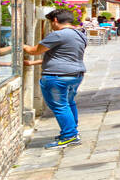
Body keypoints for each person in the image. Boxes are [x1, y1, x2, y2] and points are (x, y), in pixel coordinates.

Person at [22, 8, 88, 149]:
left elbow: (35, 51)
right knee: (68, 103)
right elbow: (62, 57)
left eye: (51, 22)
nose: (51, 25)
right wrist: (32, 63)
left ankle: (69, 135)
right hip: (75, 75)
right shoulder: (80, 35)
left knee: (60, 106)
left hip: (57, 77)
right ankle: (71, 132)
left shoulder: (58, 35)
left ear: (56, 20)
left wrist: (20, 45)